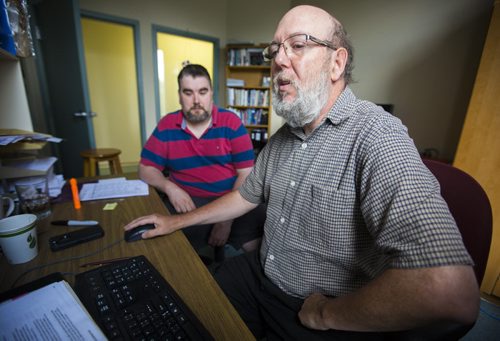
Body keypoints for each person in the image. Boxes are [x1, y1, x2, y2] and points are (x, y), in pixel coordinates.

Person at [125, 5, 479, 339]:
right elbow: (244, 195)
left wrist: (327, 313)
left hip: (315, 306)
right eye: (275, 50)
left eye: (297, 45)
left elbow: (448, 288)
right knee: (176, 305)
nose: (278, 60)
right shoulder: (284, 136)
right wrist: (176, 222)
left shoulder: (377, 136)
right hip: (262, 274)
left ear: (336, 63)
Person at [139, 64, 264, 256]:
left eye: (202, 92)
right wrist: (170, 187)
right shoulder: (166, 125)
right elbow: (145, 169)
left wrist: (225, 221)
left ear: (211, 93)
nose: (196, 100)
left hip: (232, 198)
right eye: (188, 93)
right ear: (179, 95)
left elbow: (246, 175)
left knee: (257, 252)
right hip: (187, 202)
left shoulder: (231, 123)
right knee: (164, 249)